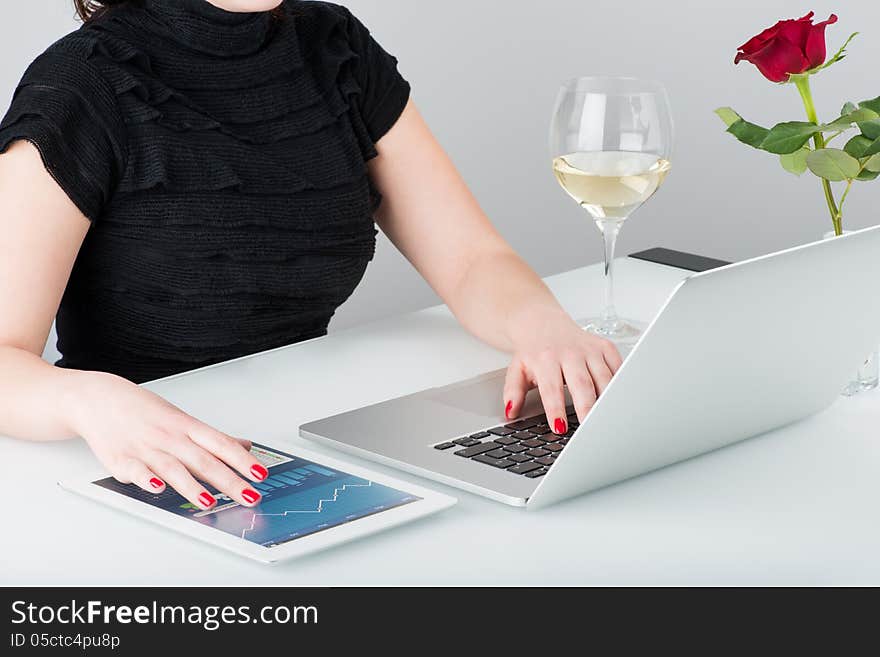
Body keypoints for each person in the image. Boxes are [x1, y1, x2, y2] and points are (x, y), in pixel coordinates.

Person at [0, 0, 621, 510]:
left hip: (304, 437)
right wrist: (91, 400)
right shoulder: (82, 84)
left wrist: (546, 330)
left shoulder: (334, 46)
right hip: (129, 462)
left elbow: (471, 259)